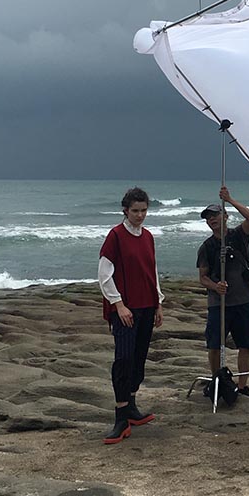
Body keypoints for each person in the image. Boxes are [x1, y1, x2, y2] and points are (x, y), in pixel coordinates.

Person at [98, 187, 164, 444]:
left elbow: (152, 270)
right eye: (135, 211)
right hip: (126, 308)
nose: (140, 215)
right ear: (125, 210)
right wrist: (118, 304)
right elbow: (105, 273)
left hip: (147, 305)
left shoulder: (147, 237)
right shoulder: (115, 236)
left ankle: (132, 407)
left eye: (144, 210)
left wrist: (158, 302)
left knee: (139, 357)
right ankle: (120, 416)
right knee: (123, 359)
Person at [197, 186, 249, 398]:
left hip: (243, 300)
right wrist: (215, 287)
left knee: (245, 345)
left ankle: (242, 386)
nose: (212, 219)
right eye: (208, 217)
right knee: (214, 345)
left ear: (225, 216)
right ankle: (218, 382)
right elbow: (202, 277)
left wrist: (230, 199)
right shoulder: (206, 247)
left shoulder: (238, 236)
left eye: (215, 215)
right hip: (218, 304)